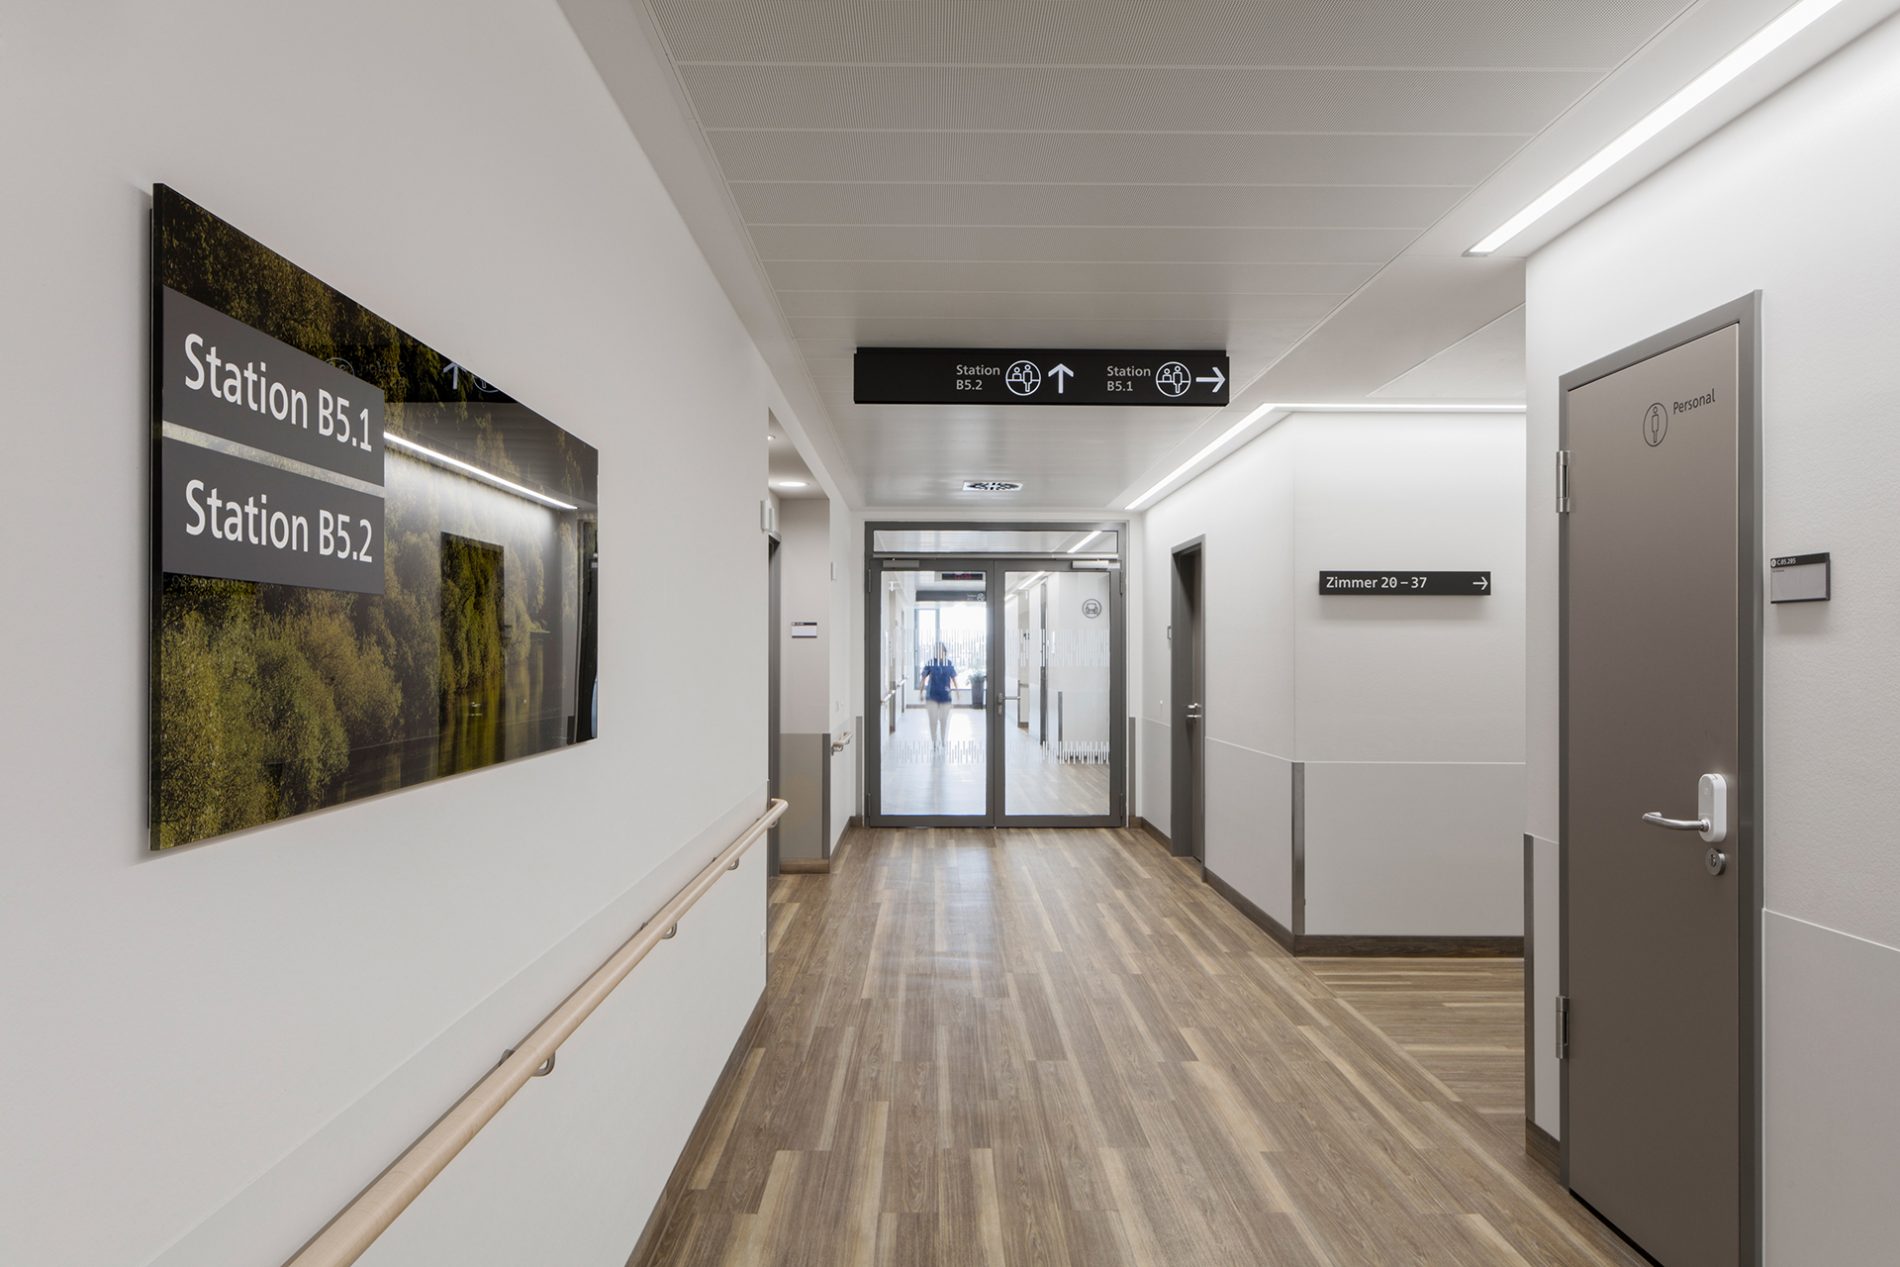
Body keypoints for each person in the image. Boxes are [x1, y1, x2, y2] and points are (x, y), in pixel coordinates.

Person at [920, 642, 958, 750]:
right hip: (932, 696)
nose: (938, 652)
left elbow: (953, 678)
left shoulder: (949, 663)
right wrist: (920, 692)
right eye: (936, 650)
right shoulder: (931, 663)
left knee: (944, 720)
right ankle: (934, 742)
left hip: (945, 697)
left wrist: (957, 692)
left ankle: (942, 739)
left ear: (944, 652)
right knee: (933, 721)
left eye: (940, 650)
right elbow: (923, 678)